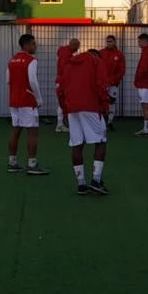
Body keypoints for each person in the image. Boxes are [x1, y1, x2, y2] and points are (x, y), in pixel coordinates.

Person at [58, 48, 111, 195]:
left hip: (72, 109)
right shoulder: (96, 62)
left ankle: (81, 183)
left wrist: (65, 110)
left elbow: (60, 89)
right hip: (91, 106)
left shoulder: (69, 64)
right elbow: (101, 85)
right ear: (97, 56)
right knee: (101, 141)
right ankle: (96, 179)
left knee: (77, 144)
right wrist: (105, 105)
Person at [7, 34, 49, 175]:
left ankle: (12, 162)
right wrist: (38, 98)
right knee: (32, 131)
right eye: (33, 44)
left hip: (14, 100)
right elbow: (33, 80)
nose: (35, 47)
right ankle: (32, 165)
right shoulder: (31, 60)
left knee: (16, 129)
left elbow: (7, 80)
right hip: (27, 100)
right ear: (26, 45)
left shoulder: (12, 60)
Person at [133, 33, 148, 136]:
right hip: (147, 81)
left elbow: (143, 68)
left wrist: (137, 79)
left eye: (139, 41)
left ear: (144, 41)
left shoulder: (147, 52)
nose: (138, 43)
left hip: (144, 82)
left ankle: (146, 129)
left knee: (145, 106)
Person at [100, 35, 126, 131]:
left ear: (114, 42)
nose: (109, 43)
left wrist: (115, 81)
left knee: (112, 101)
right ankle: (101, 122)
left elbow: (122, 69)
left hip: (113, 83)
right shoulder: (101, 53)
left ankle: (110, 122)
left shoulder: (119, 54)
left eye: (111, 41)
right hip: (102, 83)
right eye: (107, 41)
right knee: (102, 102)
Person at [54, 38, 80, 133]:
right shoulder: (67, 54)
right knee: (63, 103)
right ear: (73, 45)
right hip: (63, 82)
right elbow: (65, 69)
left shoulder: (62, 51)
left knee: (62, 103)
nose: (78, 48)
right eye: (77, 46)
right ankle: (61, 124)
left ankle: (61, 123)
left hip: (61, 81)